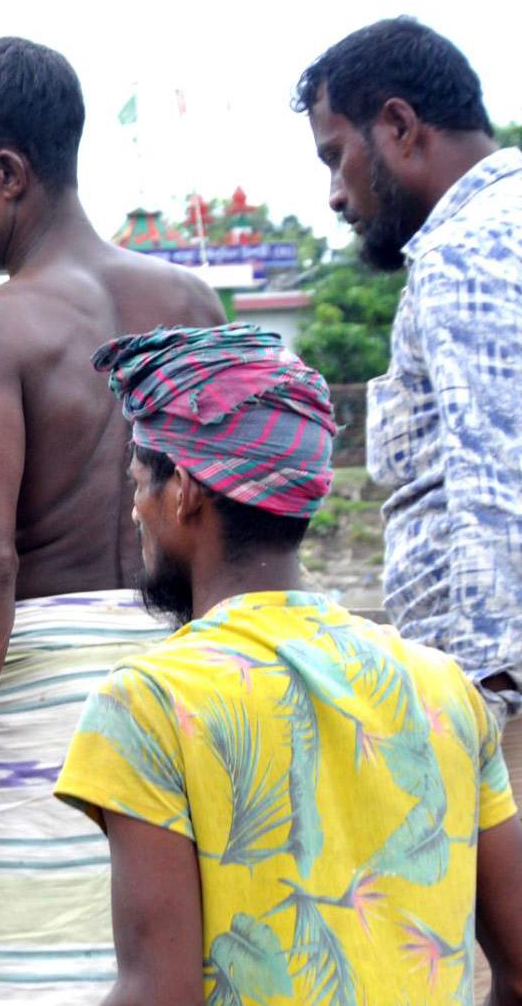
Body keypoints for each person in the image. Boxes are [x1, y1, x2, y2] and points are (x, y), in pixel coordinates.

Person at [0, 36, 227, 1001]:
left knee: (30, 980)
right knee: (171, 970)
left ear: (5, 175)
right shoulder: (191, 303)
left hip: (43, 717)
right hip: (184, 690)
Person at [57, 323, 522, 1005]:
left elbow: (161, 994)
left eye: (139, 483)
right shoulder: (443, 686)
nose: (135, 509)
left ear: (184, 489)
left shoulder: (151, 702)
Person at [294, 18, 521, 838]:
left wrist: (479, 717)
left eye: (333, 155)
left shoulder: (468, 251)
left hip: (499, 714)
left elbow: (499, 481)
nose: (332, 193)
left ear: (397, 125)